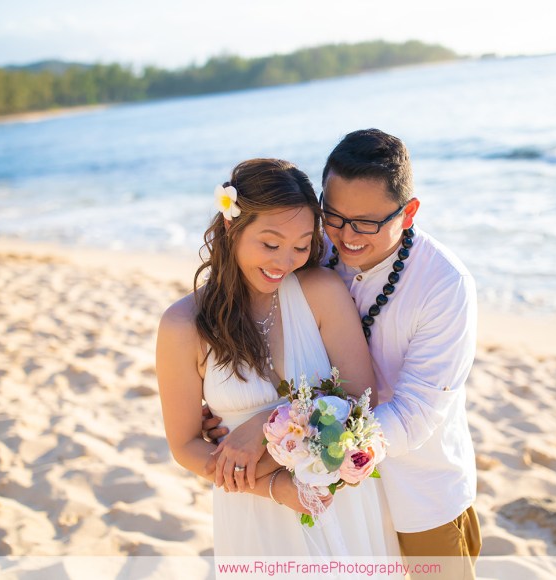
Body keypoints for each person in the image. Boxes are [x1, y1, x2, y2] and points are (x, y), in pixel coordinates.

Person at [205, 131, 481, 577]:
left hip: (418, 493)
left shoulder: (445, 285)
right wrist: (227, 403)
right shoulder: (311, 250)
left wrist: (278, 437)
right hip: (331, 501)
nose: (346, 237)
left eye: (366, 223)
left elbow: (413, 414)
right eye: (332, 216)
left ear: (408, 212)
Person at [156, 158, 399, 559]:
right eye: (270, 244)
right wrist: (273, 487)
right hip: (253, 514)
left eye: (301, 246)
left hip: (340, 503)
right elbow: (184, 445)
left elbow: (362, 400)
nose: (284, 262)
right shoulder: (182, 326)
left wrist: (261, 429)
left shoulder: (320, 291)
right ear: (232, 227)